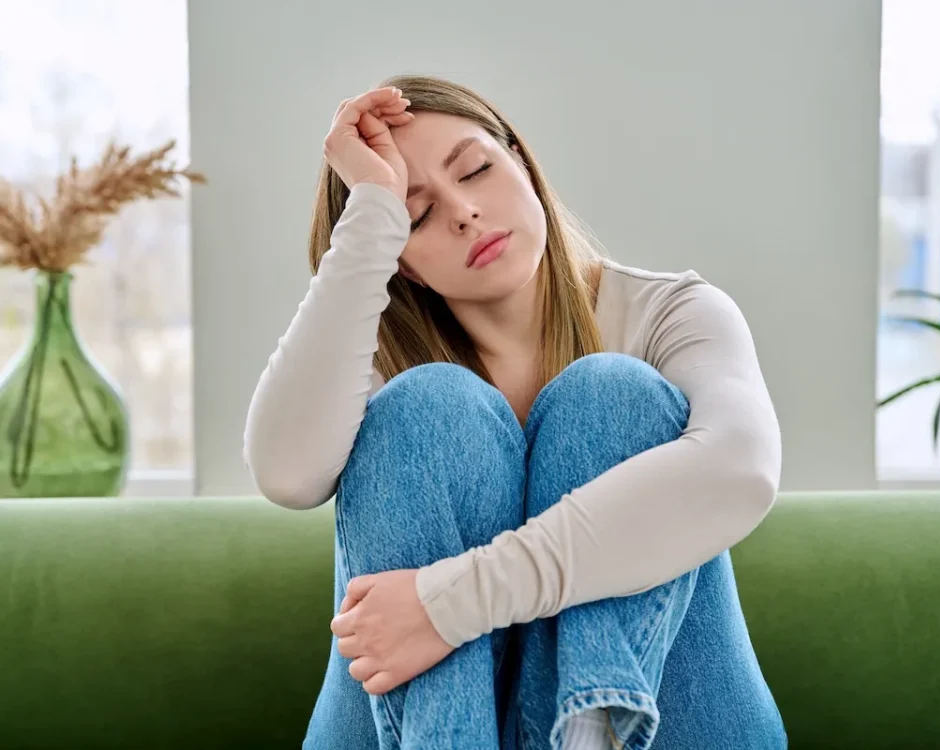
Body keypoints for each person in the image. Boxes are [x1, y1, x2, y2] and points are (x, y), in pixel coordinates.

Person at [243, 74, 787, 750]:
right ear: (402, 262)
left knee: (614, 396)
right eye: (415, 215)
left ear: (523, 163)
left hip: (671, 721)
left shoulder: (670, 314)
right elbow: (286, 475)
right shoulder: (373, 371)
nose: (464, 212)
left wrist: (449, 603)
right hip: (417, 730)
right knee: (426, 408)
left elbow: (742, 472)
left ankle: (592, 734)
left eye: (476, 169)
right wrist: (369, 222)